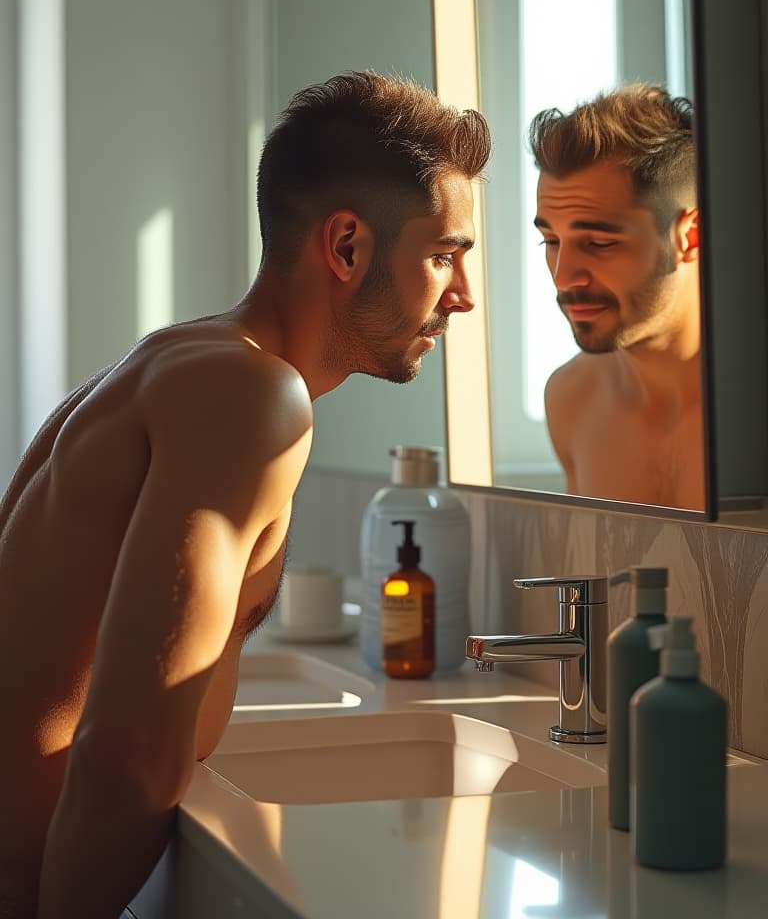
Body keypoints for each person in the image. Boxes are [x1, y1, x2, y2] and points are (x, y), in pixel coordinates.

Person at [0, 71, 491, 918]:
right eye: (443, 255)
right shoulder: (252, 395)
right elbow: (131, 754)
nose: (464, 296)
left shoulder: (179, 357)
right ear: (347, 248)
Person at [529, 83, 704, 509]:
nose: (564, 276)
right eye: (551, 241)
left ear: (689, 236)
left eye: (599, 243)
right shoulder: (571, 398)